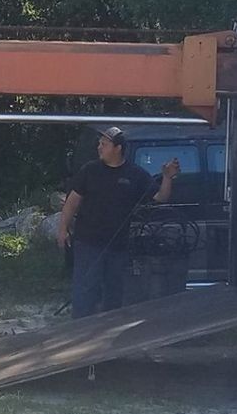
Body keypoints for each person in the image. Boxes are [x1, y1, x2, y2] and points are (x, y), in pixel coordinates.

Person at [55, 126, 179, 319]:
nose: (99, 148)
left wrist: (167, 177)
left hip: (117, 246)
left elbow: (160, 197)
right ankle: (78, 330)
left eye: (104, 144)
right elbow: (72, 201)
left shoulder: (135, 174)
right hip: (88, 242)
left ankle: (107, 335)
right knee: (85, 290)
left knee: (114, 291)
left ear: (118, 148)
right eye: (99, 144)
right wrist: (62, 229)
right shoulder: (90, 170)